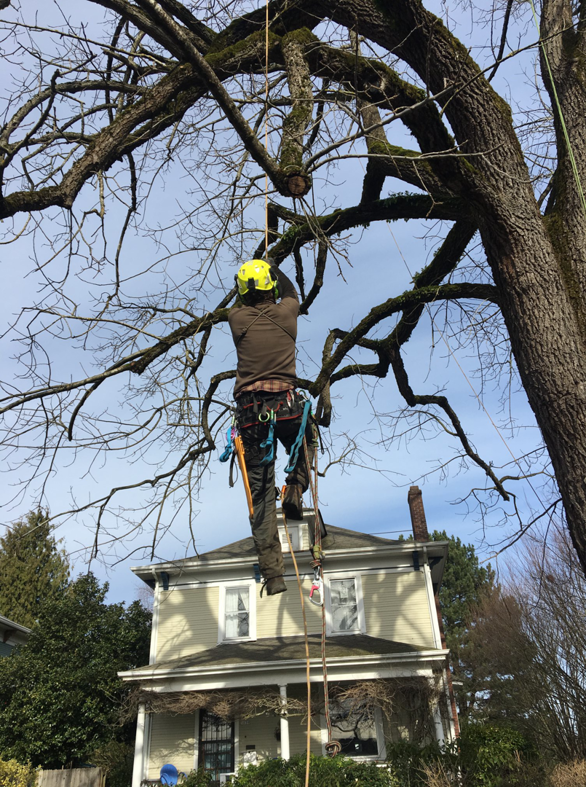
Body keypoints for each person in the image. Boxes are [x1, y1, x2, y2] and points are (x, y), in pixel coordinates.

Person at [228, 259, 316, 596]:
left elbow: (238, 301)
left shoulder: (236, 319)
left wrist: (252, 275)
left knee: (261, 498)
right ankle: (295, 487)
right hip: (289, 409)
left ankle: (274, 575)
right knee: (306, 442)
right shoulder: (287, 314)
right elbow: (292, 292)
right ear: (271, 288)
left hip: (252, 416)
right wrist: (273, 264)